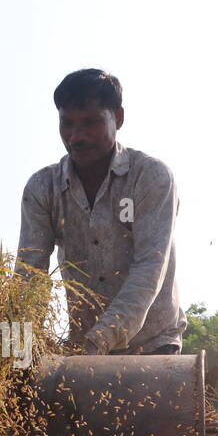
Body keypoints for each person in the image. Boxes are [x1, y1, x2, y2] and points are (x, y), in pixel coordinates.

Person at [17, 69, 185, 354]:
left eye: (90, 123)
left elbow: (150, 266)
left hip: (152, 343)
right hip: (82, 345)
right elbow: (30, 274)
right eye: (67, 124)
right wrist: (23, 342)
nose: (76, 136)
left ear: (117, 118)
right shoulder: (43, 188)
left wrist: (101, 339)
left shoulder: (150, 177)